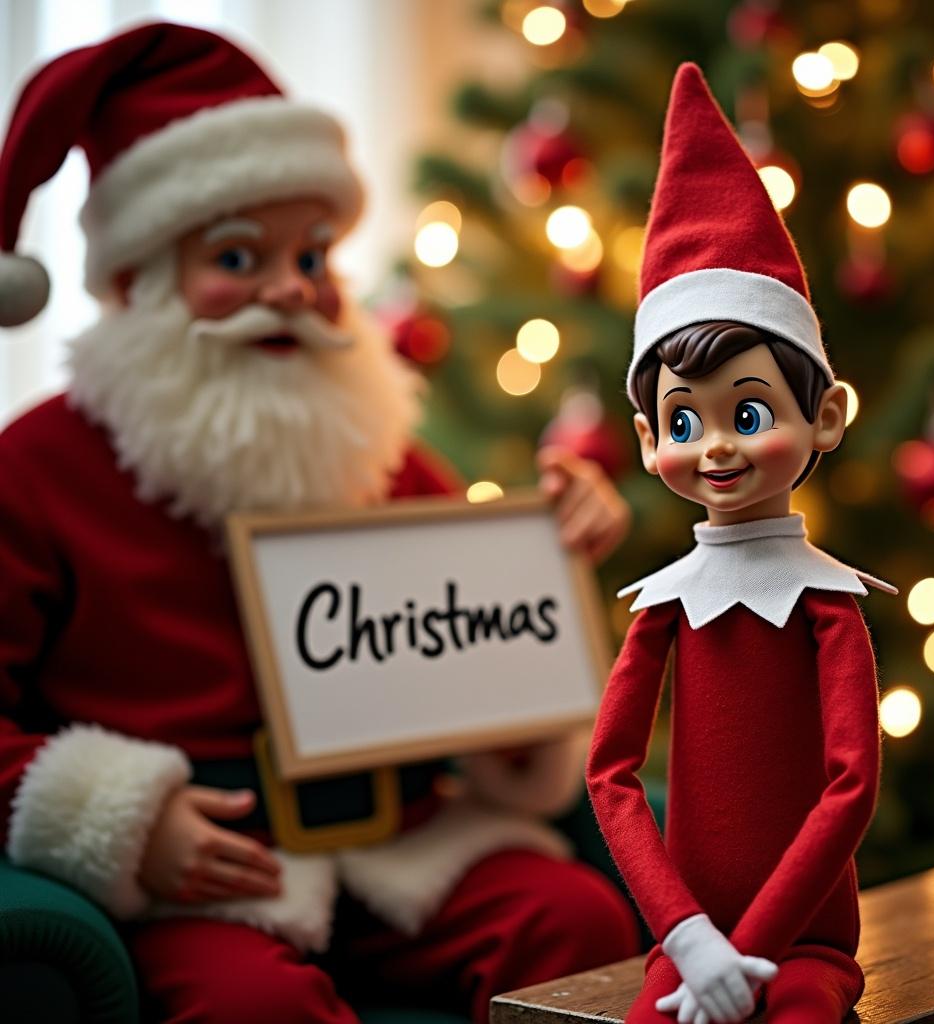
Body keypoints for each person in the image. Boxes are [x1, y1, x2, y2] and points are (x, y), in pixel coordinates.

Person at [0, 22, 639, 1024]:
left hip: (402, 843)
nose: (292, 290)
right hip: (204, 872)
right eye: (239, 256)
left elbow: (483, 645)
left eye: (312, 254)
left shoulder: (370, 446)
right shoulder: (34, 469)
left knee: (575, 926)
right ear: (137, 283)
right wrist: (123, 821)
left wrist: (552, 558)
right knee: (251, 1007)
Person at [585, 64, 896, 1024]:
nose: (715, 445)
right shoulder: (666, 605)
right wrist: (687, 940)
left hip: (799, 944)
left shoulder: (827, 602)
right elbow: (611, 776)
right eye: (683, 423)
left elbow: (850, 788)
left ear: (826, 416)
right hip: (687, 945)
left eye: (749, 411)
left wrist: (749, 951)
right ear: (647, 441)